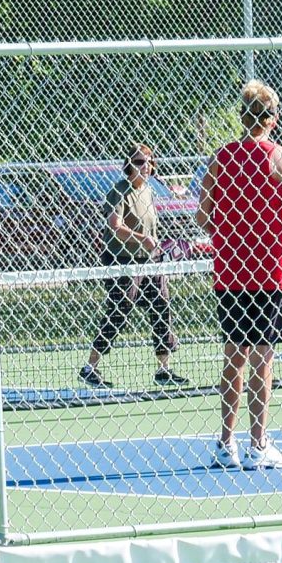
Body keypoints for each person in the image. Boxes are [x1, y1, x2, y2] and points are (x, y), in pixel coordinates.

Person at [195, 81, 282, 471]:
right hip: (272, 274)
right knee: (263, 358)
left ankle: (226, 444)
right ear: (272, 119)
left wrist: (231, 235)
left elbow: (202, 216)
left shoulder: (220, 159)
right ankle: (258, 444)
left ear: (243, 117)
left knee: (234, 356)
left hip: (231, 274)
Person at [80, 142, 185, 390]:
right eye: (139, 162)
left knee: (161, 307)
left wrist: (155, 247)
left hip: (150, 261)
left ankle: (163, 369)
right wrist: (141, 239)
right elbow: (115, 227)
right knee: (119, 311)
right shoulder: (119, 191)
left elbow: (150, 228)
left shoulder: (148, 191)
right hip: (123, 262)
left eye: (148, 162)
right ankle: (89, 367)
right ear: (128, 166)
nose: (145, 166)